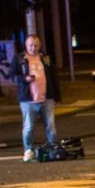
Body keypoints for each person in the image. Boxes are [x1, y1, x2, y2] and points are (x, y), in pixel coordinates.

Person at [16, 34, 61, 162]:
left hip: (46, 98)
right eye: (31, 45)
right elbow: (12, 75)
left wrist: (56, 95)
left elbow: (53, 76)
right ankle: (28, 150)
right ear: (26, 45)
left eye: (36, 45)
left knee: (50, 126)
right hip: (28, 100)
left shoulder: (45, 58)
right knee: (29, 127)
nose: (33, 48)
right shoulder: (20, 58)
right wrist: (25, 79)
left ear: (39, 46)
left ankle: (52, 148)